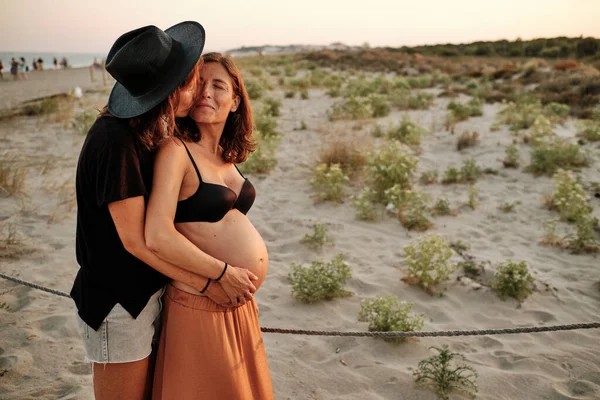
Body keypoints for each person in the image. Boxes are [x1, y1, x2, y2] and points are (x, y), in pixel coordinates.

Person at [70, 22, 257, 400]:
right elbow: (139, 242)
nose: (199, 91)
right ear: (172, 92)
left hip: (150, 295)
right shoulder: (115, 141)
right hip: (119, 304)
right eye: (192, 82)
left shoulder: (144, 133)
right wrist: (210, 281)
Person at [146, 52, 273, 400]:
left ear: (235, 101)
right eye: (199, 84)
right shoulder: (176, 150)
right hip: (200, 300)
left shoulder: (226, 157)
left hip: (237, 303)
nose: (205, 93)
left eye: (218, 86)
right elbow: (157, 234)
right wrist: (221, 274)